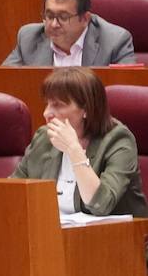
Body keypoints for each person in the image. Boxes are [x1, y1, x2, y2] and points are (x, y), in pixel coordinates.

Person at [11, 67, 148, 217]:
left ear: (86, 109)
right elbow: (13, 193)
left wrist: (74, 150)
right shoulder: (44, 138)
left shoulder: (118, 140)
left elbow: (101, 204)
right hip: (53, 235)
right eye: (47, 104)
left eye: (57, 105)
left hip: (113, 236)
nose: (46, 113)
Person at [3, 0, 135, 67]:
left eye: (63, 17)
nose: (54, 24)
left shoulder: (115, 40)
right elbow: (6, 82)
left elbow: (125, 90)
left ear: (84, 19)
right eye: (49, 16)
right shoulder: (29, 37)